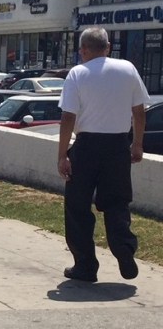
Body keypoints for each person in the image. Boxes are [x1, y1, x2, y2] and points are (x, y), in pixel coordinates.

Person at [57, 27, 149, 282]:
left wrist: (62, 154)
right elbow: (139, 111)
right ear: (108, 47)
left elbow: (68, 117)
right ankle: (124, 250)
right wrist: (137, 144)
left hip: (86, 147)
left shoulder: (77, 73)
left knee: (77, 206)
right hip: (118, 146)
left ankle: (86, 266)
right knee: (117, 202)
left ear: (83, 50)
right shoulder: (127, 69)